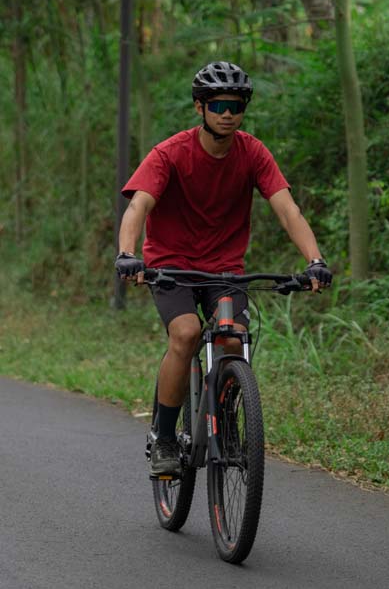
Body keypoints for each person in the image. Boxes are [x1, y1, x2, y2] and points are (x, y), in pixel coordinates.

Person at [115, 61, 332, 477]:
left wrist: (314, 261)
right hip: (170, 265)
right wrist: (128, 254)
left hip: (225, 269)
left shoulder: (253, 153)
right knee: (186, 333)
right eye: (218, 105)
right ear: (200, 107)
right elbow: (138, 205)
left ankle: (228, 424)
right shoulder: (170, 153)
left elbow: (287, 210)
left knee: (232, 340)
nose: (228, 113)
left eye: (236, 105)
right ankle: (162, 437)